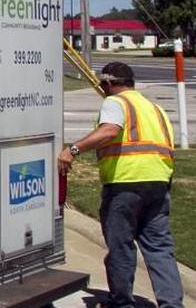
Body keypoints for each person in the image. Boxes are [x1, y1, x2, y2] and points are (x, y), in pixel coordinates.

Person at [57, 62, 182, 308]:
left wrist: (73, 149)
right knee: (159, 249)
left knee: (121, 247)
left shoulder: (115, 103)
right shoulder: (155, 109)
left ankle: (121, 302)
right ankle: (172, 304)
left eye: (103, 85)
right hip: (158, 185)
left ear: (109, 84)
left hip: (126, 184)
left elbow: (110, 131)